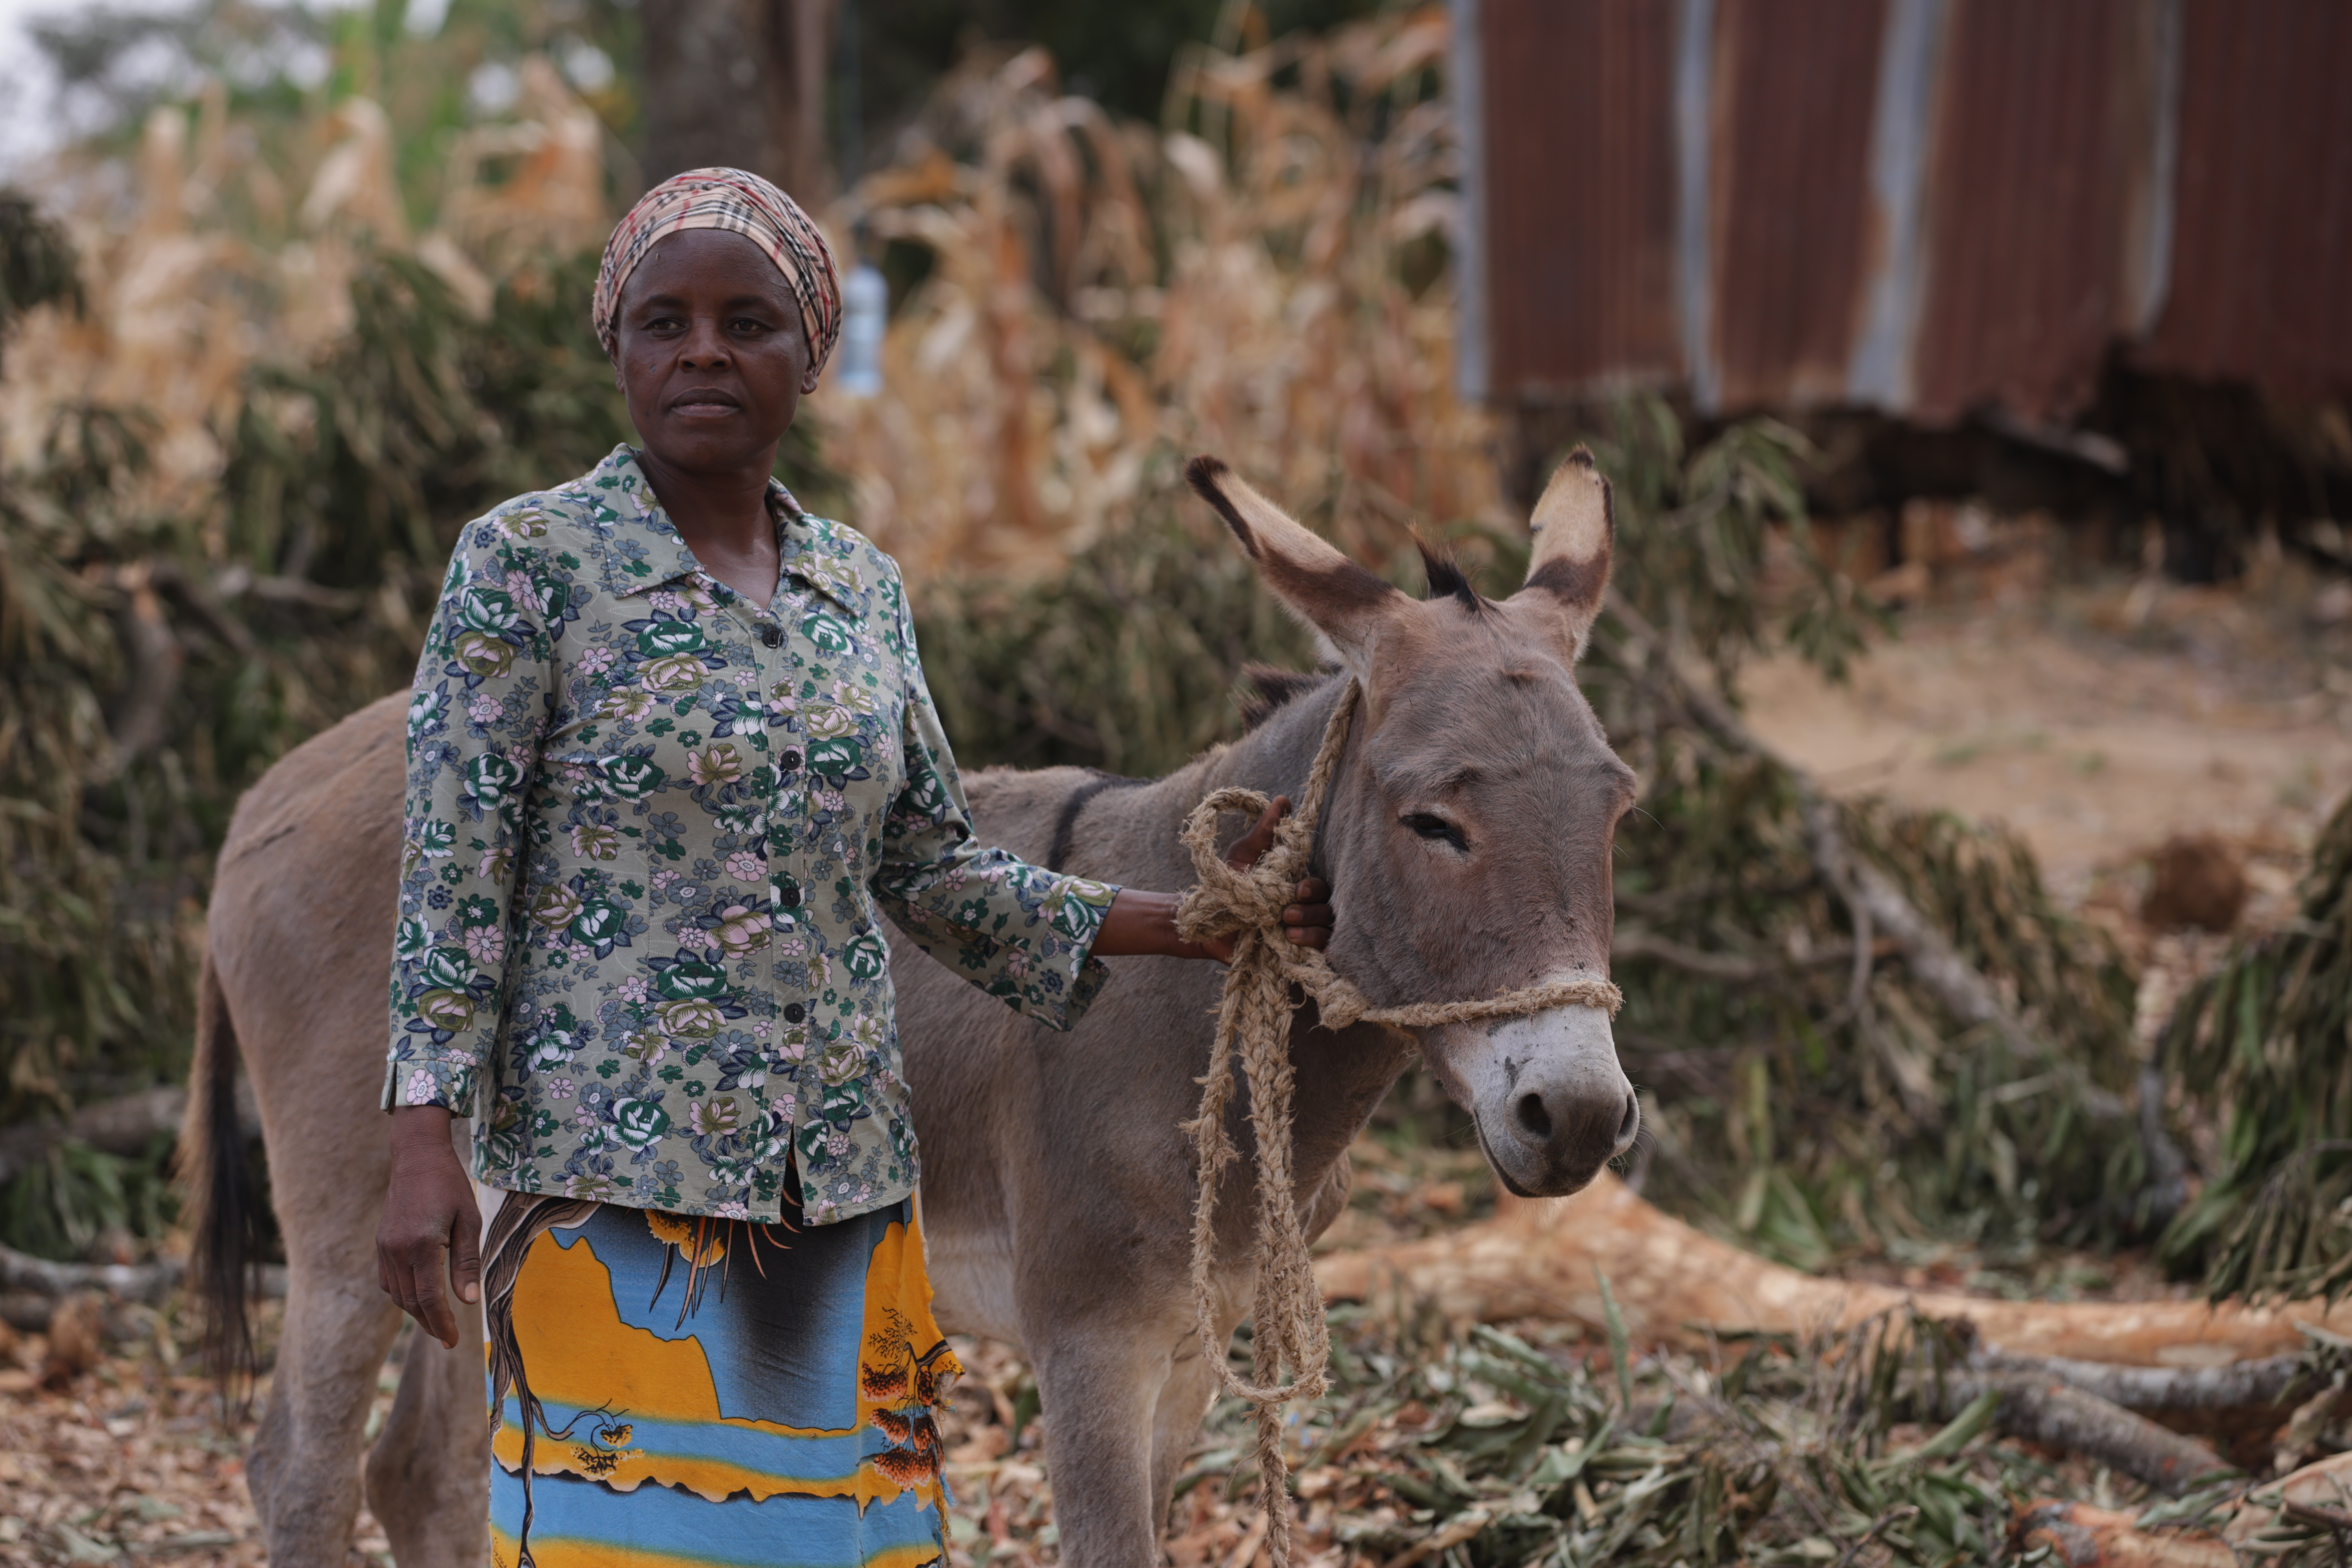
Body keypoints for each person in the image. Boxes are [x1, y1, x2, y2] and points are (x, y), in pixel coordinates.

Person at [372, 168, 1333, 1566]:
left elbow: (930, 865)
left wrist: (1182, 921)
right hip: (612, 1188)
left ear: (807, 357)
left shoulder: (860, 592)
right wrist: (422, 1141)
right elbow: (454, 870)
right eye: (667, 320)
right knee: (627, 1549)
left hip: (839, 1187)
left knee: (832, 1549)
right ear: (621, 348)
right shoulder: (528, 567)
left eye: (748, 320)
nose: (705, 348)